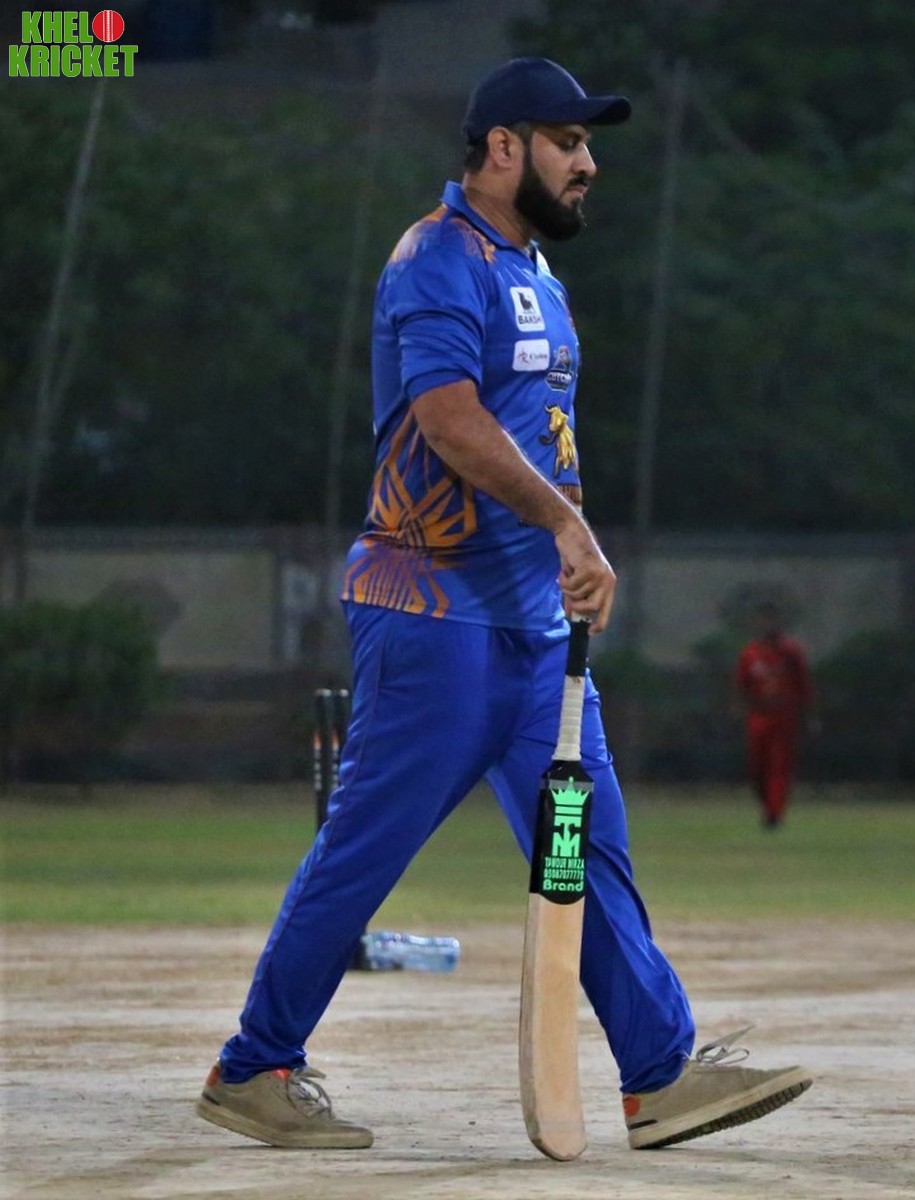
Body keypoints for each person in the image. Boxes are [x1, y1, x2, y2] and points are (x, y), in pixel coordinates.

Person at [195, 56, 812, 1152]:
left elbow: (538, 442)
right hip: (434, 617)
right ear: (501, 148)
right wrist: (569, 528)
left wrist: (568, 550)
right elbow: (448, 419)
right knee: (365, 850)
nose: (588, 163)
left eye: (588, 144)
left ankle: (659, 1076)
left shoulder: (538, 273)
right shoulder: (437, 257)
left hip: (535, 633)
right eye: (568, 142)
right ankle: (255, 1066)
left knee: (585, 850)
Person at [734, 602, 815, 828]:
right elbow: (742, 684)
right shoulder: (750, 653)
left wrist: (808, 714)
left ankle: (775, 812)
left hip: (783, 715)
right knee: (757, 766)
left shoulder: (791, 652)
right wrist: (740, 707)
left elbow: (803, 685)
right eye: (764, 620)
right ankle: (766, 803)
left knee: (779, 765)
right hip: (759, 715)